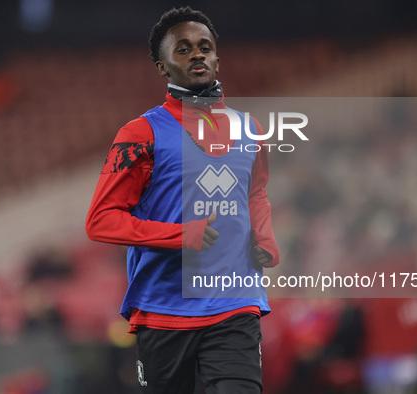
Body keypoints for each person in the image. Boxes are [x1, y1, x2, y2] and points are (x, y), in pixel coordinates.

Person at [86, 7, 280, 393]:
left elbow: (255, 191)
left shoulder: (250, 128)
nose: (197, 55)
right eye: (184, 49)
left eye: (205, 47)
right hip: (164, 309)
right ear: (162, 66)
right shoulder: (140, 133)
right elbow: (101, 220)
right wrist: (180, 236)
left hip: (235, 301)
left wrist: (264, 236)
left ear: (217, 58)